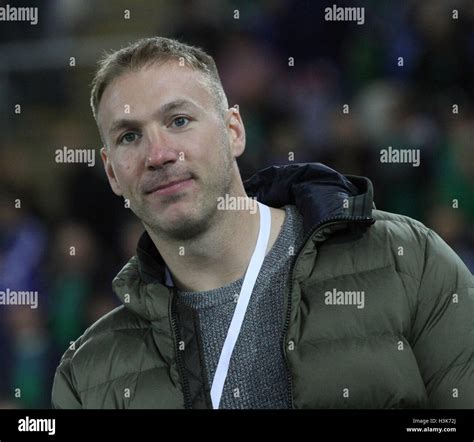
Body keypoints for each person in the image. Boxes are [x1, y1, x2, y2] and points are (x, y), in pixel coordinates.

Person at [51, 37, 473, 409]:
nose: (158, 154)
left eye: (179, 121)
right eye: (129, 136)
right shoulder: (87, 377)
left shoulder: (406, 259)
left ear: (234, 130)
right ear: (111, 173)